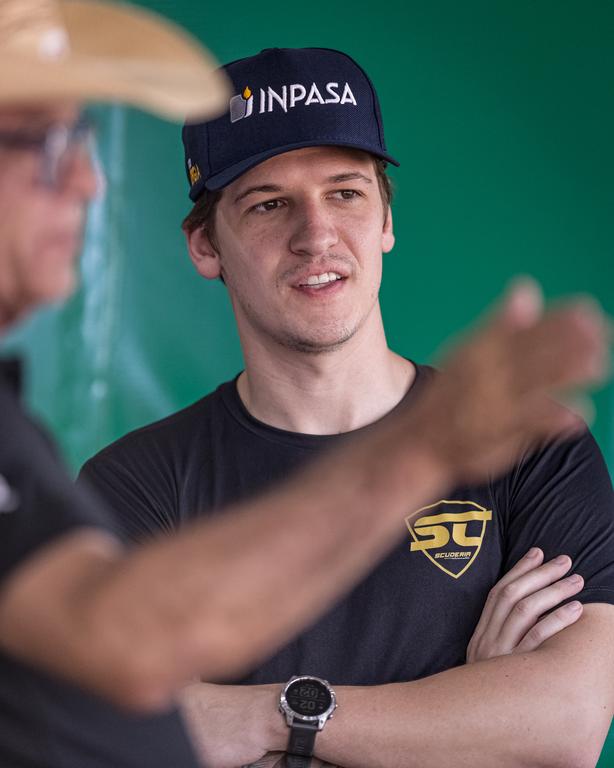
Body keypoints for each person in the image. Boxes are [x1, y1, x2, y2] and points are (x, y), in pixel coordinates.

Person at [79, 48, 614, 768]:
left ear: (387, 219)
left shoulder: (527, 444)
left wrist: (268, 720)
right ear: (206, 245)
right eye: (269, 204)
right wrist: (470, 709)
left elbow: (565, 724)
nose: (316, 235)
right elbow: (112, 742)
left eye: (346, 193)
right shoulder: (134, 485)